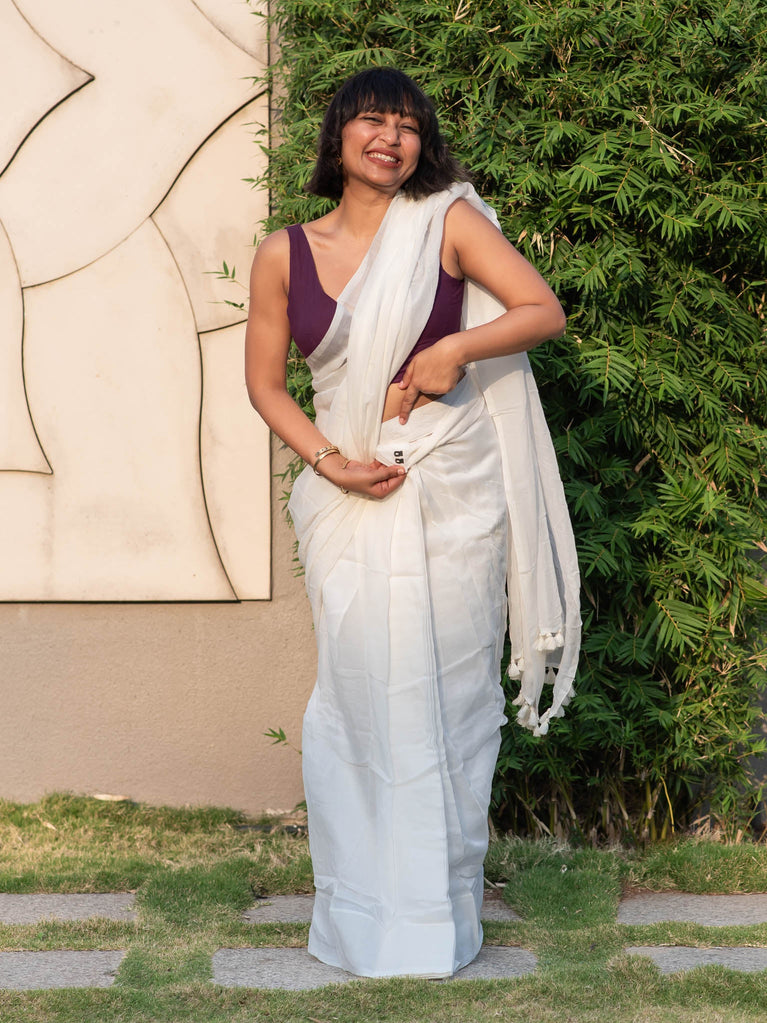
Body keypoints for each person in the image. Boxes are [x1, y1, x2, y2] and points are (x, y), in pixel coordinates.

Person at [245, 67, 580, 979]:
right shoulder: (283, 253)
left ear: (420, 144)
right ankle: (360, 920)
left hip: (448, 492)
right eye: (371, 120)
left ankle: (436, 921)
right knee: (356, 698)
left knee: (450, 696)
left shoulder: (447, 222)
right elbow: (266, 386)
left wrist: (453, 349)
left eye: (406, 124)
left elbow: (541, 309)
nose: (389, 137)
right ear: (337, 137)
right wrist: (331, 463)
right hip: (344, 500)